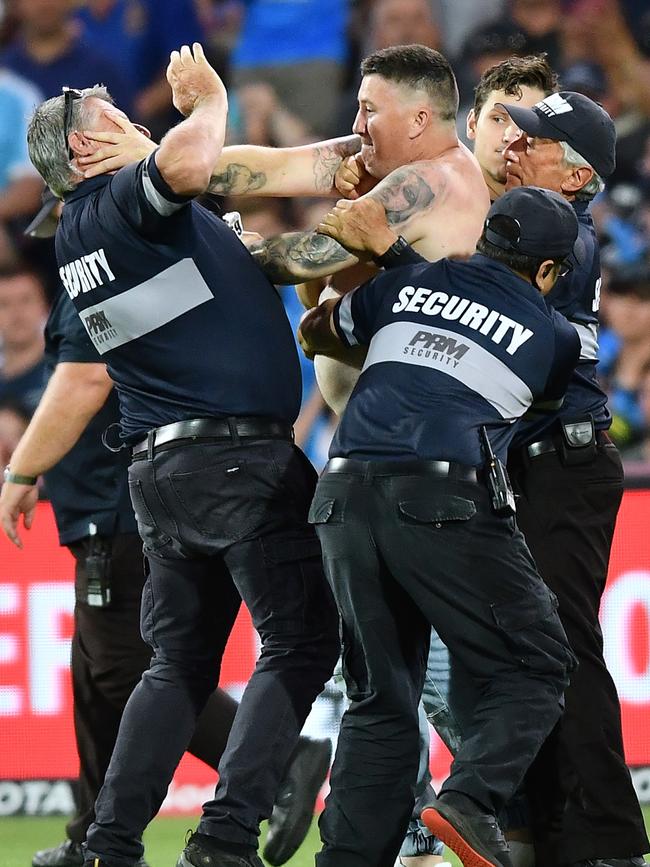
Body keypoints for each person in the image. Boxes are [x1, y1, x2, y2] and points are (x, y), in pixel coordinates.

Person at [25, 44, 339, 867]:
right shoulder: (121, 201)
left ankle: (108, 843)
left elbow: (212, 267)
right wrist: (206, 101)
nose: (138, 127)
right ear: (88, 152)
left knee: (178, 663)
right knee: (301, 640)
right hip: (236, 459)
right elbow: (193, 157)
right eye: (121, 122)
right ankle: (226, 834)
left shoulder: (87, 241)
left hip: (164, 475)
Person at [0, 278, 331, 867]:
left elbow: (86, 378)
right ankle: (98, 837)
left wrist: (22, 471)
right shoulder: (138, 279)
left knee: (150, 667)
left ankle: (273, 771)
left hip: (123, 512)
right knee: (105, 677)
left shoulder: (101, 286)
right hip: (133, 502)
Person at [298, 185, 580, 867]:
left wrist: (374, 276)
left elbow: (320, 331)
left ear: (487, 238)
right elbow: (534, 396)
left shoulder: (409, 283)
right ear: (548, 271)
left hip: (341, 488)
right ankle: (470, 800)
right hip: (442, 493)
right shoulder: (556, 335)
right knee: (538, 660)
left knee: (380, 697)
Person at [498, 91, 650, 867]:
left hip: (563, 459)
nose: (517, 148)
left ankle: (610, 841)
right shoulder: (555, 226)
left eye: (536, 142)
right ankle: (553, 830)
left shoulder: (561, 238)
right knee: (539, 651)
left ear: (579, 172)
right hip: (543, 461)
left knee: (562, 649)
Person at [0, 265, 48, 415]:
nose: (17, 313)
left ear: (44, 305)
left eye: (25, 300)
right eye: (4, 304)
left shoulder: (66, 369)